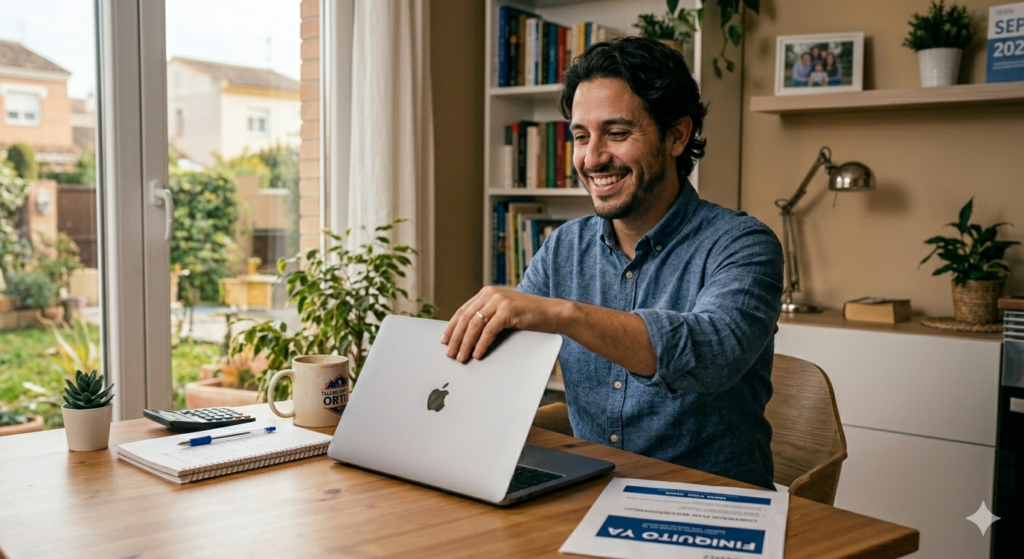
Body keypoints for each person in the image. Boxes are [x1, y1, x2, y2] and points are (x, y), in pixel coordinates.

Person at [442, 37, 783, 489]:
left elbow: (712, 355)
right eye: (582, 136)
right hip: (590, 491)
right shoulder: (564, 247)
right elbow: (507, 363)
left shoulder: (743, 244)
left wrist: (565, 314)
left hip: (712, 505)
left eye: (618, 133)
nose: (592, 157)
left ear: (677, 135)